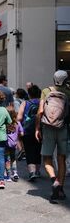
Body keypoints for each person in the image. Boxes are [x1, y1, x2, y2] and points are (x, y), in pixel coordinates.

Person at [35, 70, 70, 201]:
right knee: (61, 158)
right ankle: (60, 187)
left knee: (47, 158)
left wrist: (37, 128)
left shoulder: (46, 91)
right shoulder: (68, 92)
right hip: (63, 128)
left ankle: (54, 181)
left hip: (48, 127)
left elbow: (40, 111)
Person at [17, 85, 42, 181]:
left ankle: (32, 172)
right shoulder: (42, 102)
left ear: (29, 94)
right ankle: (38, 171)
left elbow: (19, 117)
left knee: (29, 152)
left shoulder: (25, 103)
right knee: (38, 151)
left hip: (27, 130)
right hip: (40, 130)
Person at [5, 109, 24, 182]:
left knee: (7, 160)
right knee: (13, 159)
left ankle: (9, 176)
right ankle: (15, 173)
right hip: (14, 145)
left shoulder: (5, 124)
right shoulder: (17, 123)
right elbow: (22, 133)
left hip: (6, 144)